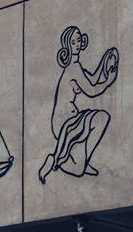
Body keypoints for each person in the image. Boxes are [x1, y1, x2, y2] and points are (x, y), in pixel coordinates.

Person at [38, 25, 119, 184]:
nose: (77, 44)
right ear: (68, 46)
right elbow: (92, 90)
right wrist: (109, 80)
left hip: (70, 118)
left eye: (78, 40)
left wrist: (104, 61)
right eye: (73, 42)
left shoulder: (76, 67)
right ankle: (57, 161)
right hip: (64, 121)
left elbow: (92, 79)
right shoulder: (73, 69)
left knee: (101, 119)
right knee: (101, 118)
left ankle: (77, 162)